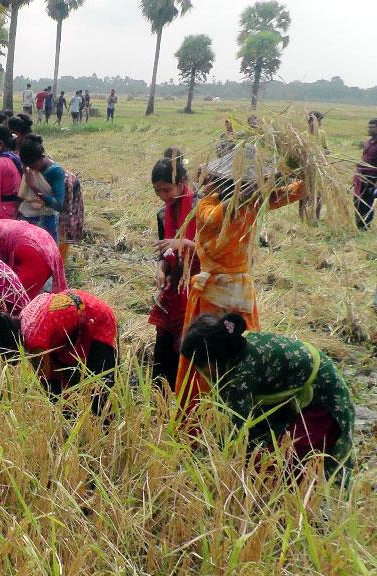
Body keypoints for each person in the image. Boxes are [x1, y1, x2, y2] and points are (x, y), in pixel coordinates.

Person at [174, 149, 305, 411]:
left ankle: (242, 408)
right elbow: (211, 219)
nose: (242, 188)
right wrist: (237, 199)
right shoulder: (207, 204)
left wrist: (303, 167)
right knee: (206, 355)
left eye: (246, 184)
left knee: (243, 353)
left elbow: (293, 191)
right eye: (236, 184)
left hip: (241, 295)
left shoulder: (255, 202)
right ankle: (196, 416)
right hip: (212, 297)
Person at [180, 313, 354, 485]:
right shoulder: (233, 350)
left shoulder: (243, 373)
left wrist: (214, 468)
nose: (198, 371)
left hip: (323, 396)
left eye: (200, 365)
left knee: (282, 463)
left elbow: (237, 430)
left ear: (215, 358)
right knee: (265, 450)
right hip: (289, 392)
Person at [0, 290, 117, 413]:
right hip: (79, 306)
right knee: (69, 381)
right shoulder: (25, 316)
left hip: (97, 318)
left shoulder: (34, 341)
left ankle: (107, 427)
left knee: (99, 390)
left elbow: (46, 385)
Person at [148, 151, 199, 389]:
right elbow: (163, 250)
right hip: (174, 282)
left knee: (190, 341)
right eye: (157, 191)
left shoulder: (203, 209)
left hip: (199, 284)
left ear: (181, 184)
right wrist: (160, 269)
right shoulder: (162, 213)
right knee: (165, 342)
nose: (162, 196)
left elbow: (216, 250)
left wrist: (185, 243)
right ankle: (163, 391)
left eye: (166, 189)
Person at [17, 135, 66, 242]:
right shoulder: (29, 168)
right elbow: (23, 194)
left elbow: (59, 205)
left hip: (46, 221)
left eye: (33, 165)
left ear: (42, 157)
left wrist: (34, 187)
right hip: (27, 217)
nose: (31, 168)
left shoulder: (55, 172)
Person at [353, 118, 377, 230]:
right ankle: (359, 225)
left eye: (372, 127)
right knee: (357, 202)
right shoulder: (369, 142)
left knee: (367, 203)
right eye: (369, 127)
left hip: (371, 178)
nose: (369, 129)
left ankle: (365, 227)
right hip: (360, 177)